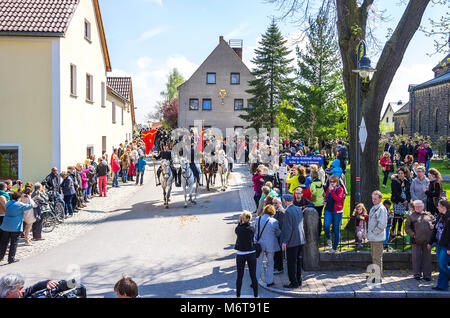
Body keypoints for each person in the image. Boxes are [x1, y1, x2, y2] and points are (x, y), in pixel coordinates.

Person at [0, 192, 35, 264]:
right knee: (14, 243)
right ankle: (11, 259)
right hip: (15, 227)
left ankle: (1, 257)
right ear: (19, 198)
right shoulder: (20, 205)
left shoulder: (8, 203)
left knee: (4, 242)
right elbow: (31, 205)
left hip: (5, 226)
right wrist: (29, 198)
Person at [405, 200, 435, 281]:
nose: (418, 208)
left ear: (423, 206)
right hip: (416, 240)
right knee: (416, 258)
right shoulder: (411, 216)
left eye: (419, 206)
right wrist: (413, 235)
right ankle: (417, 274)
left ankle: (427, 275)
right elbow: (407, 228)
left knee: (427, 258)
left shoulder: (428, 215)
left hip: (427, 241)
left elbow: (435, 222)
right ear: (414, 207)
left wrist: (433, 226)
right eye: (416, 206)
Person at [280, 194, 306, 288]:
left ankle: (293, 282)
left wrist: (284, 242)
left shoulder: (288, 212)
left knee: (291, 263)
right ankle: (299, 280)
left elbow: (288, 229)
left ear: (286, 201)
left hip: (292, 241)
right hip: (301, 239)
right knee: (299, 261)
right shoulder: (298, 209)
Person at [254, 205, 281, 288]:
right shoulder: (274, 221)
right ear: (272, 212)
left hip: (260, 244)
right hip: (270, 245)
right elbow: (278, 233)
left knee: (258, 263)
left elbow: (256, 230)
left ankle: (255, 281)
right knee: (270, 263)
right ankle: (269, 281)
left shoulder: (258, 219)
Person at [234, 211, 258, 298]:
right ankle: (255, 295)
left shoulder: (238, 229)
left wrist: (239, 222)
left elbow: (237, 229)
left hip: (241, 254)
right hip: (251, 253)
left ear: (242, 219)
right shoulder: (252, 229)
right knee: (253, 276)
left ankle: (238, 296)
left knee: (240, 276)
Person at [367, 191, 388, 282]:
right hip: (374, 237)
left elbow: (382, 224)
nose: (373, 200)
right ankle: (375, 275)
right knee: (374, 257)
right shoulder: (375, 207)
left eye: (375, 199)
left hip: (377, 237)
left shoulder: (381, 209)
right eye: (372, 198)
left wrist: (374, 233)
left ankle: (378, 277)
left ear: (380, 199)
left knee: (377, 258)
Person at [430, 200, 450, 291]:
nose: (437, 207)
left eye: (438, 206)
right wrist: (430, 242)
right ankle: (442, 286)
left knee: (443, 264)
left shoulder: (449, 217)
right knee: (441, 265)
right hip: (439, 243)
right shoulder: (440, 216)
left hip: (446, 246)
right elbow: (436, 230)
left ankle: (443, 285)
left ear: (443, 207)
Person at [323, 175, 345, 253]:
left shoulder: (340, 190)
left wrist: (332, 191)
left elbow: (338, 199)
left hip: (337, 211)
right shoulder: (329, 188)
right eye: (330, 181)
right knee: (326, 226)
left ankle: (334, 248)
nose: (332, 183)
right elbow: (326, 196)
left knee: (336, 229)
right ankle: (329, 238)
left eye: (334, 181)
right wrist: (325, 200)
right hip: (328, 209)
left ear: (337, 182)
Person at [390, 167, 411, 237]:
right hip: (398, 201)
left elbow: (408, 192)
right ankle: (392, 230)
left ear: (404, 174)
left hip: (405, 202)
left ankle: (399, 231)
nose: (400, 174)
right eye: (399, 173)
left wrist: (407, 200)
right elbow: (395, 193)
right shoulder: (394, 181)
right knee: (396, 216)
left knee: (402, 216)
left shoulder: (407, 181)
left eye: (402, 173)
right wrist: (403, 200)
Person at [309, 170, 324, 240]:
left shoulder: (312, 184)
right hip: (321, 202)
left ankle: (316, 234)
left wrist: (312, 199)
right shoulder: (320, 182)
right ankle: (319, 233)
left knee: (315, 218)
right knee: (319, 218)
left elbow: (314, 192)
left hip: (315, 203)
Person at [273, 197, 285, 274]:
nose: (274, 204)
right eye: (273, 203)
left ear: (280, 203)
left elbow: (280, 225)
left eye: (276, 203)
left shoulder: (281, 212)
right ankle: (276, 267)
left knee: (278, 253)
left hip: (279, 236)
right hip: (277, 235)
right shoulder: (277, 211)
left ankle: (279, 268)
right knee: (276, 252)